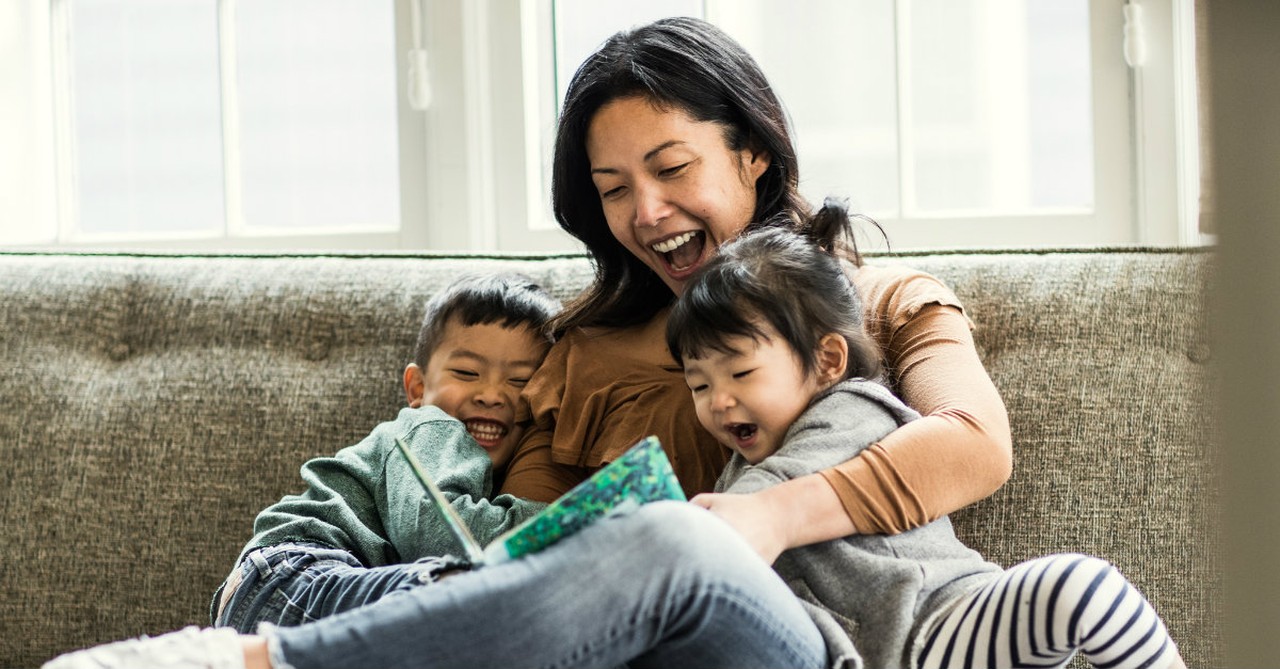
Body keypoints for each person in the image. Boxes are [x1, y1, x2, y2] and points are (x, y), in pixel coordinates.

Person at [43, 16, 1014, 669]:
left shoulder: (878, 299)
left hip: (808, 643)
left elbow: (974, 442)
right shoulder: (581, 353)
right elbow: (524, 564)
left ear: (752, 155)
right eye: (611, 188)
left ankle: (252, 661)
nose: (647, 211)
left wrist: (763, 519)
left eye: (672, 168)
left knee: (676, 538)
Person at [666, 205, 1188, 669]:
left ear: (827, 361)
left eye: (740, 374)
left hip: (944, 624)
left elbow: (771, 492)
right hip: (873, 652)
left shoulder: (850, 411)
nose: (718, 401)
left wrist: (675, 530)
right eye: (699, 384)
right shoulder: (739, 473)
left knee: (1082, 589)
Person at [210, 272, 560, 633]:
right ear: (418, 389)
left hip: (284, 594)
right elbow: (435, 531)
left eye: (520, 380)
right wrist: (564, 519)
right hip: (295, 575)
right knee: (454, 594)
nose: (491, 394)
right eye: (467, 372)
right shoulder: (430, 427)